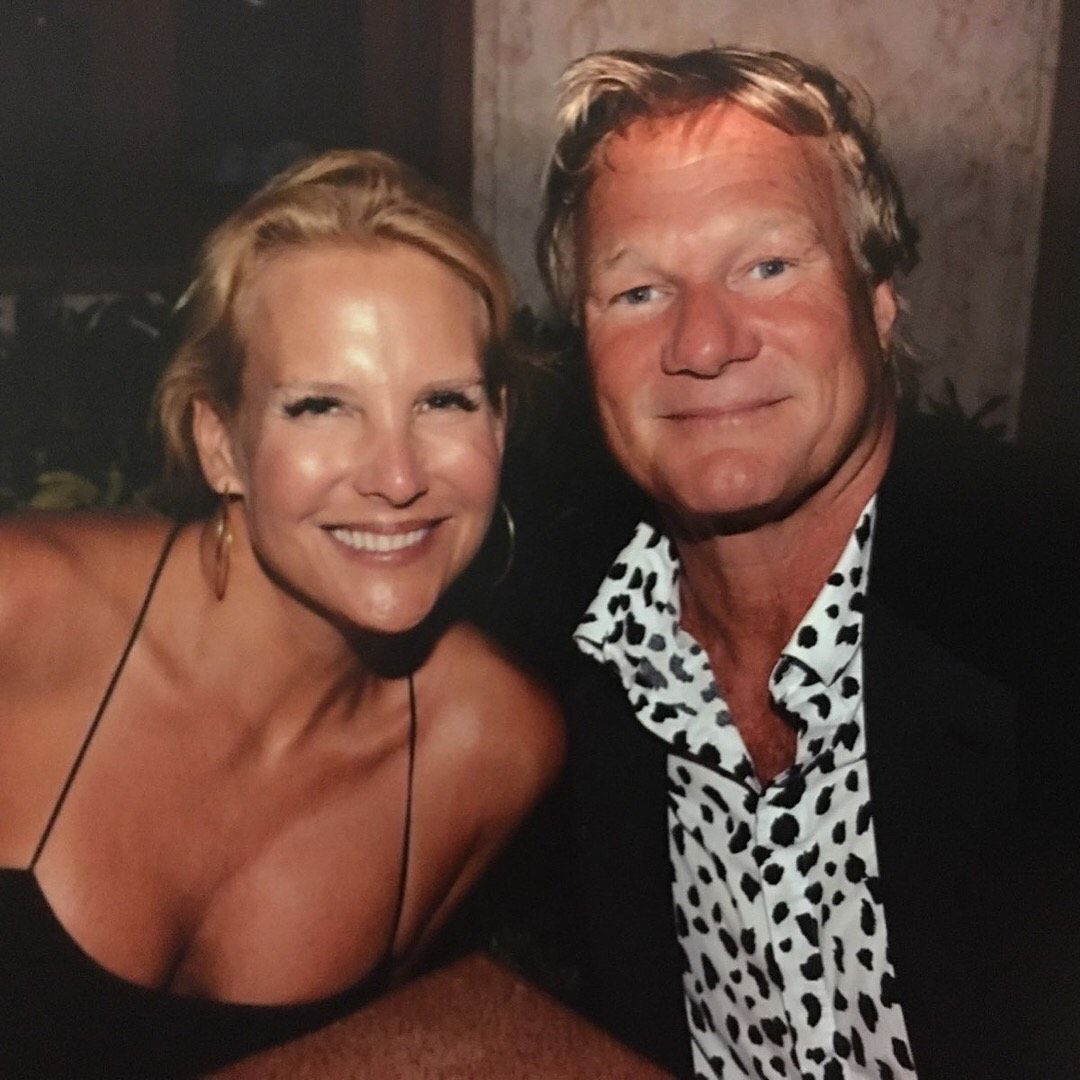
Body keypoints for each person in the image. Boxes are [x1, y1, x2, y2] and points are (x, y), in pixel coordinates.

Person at [522, 46, 1079, 1079]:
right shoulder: (569, 653)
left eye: (769, 267)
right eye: (638, 290)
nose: (704, 342)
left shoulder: (1040, 616)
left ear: (878, 302)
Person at [0, 149, 564, 1078]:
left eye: (442, 402)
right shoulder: (27, 618)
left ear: (498, 425)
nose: (397, 476)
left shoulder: (494, 748)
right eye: (319, 406)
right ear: (221, 444)